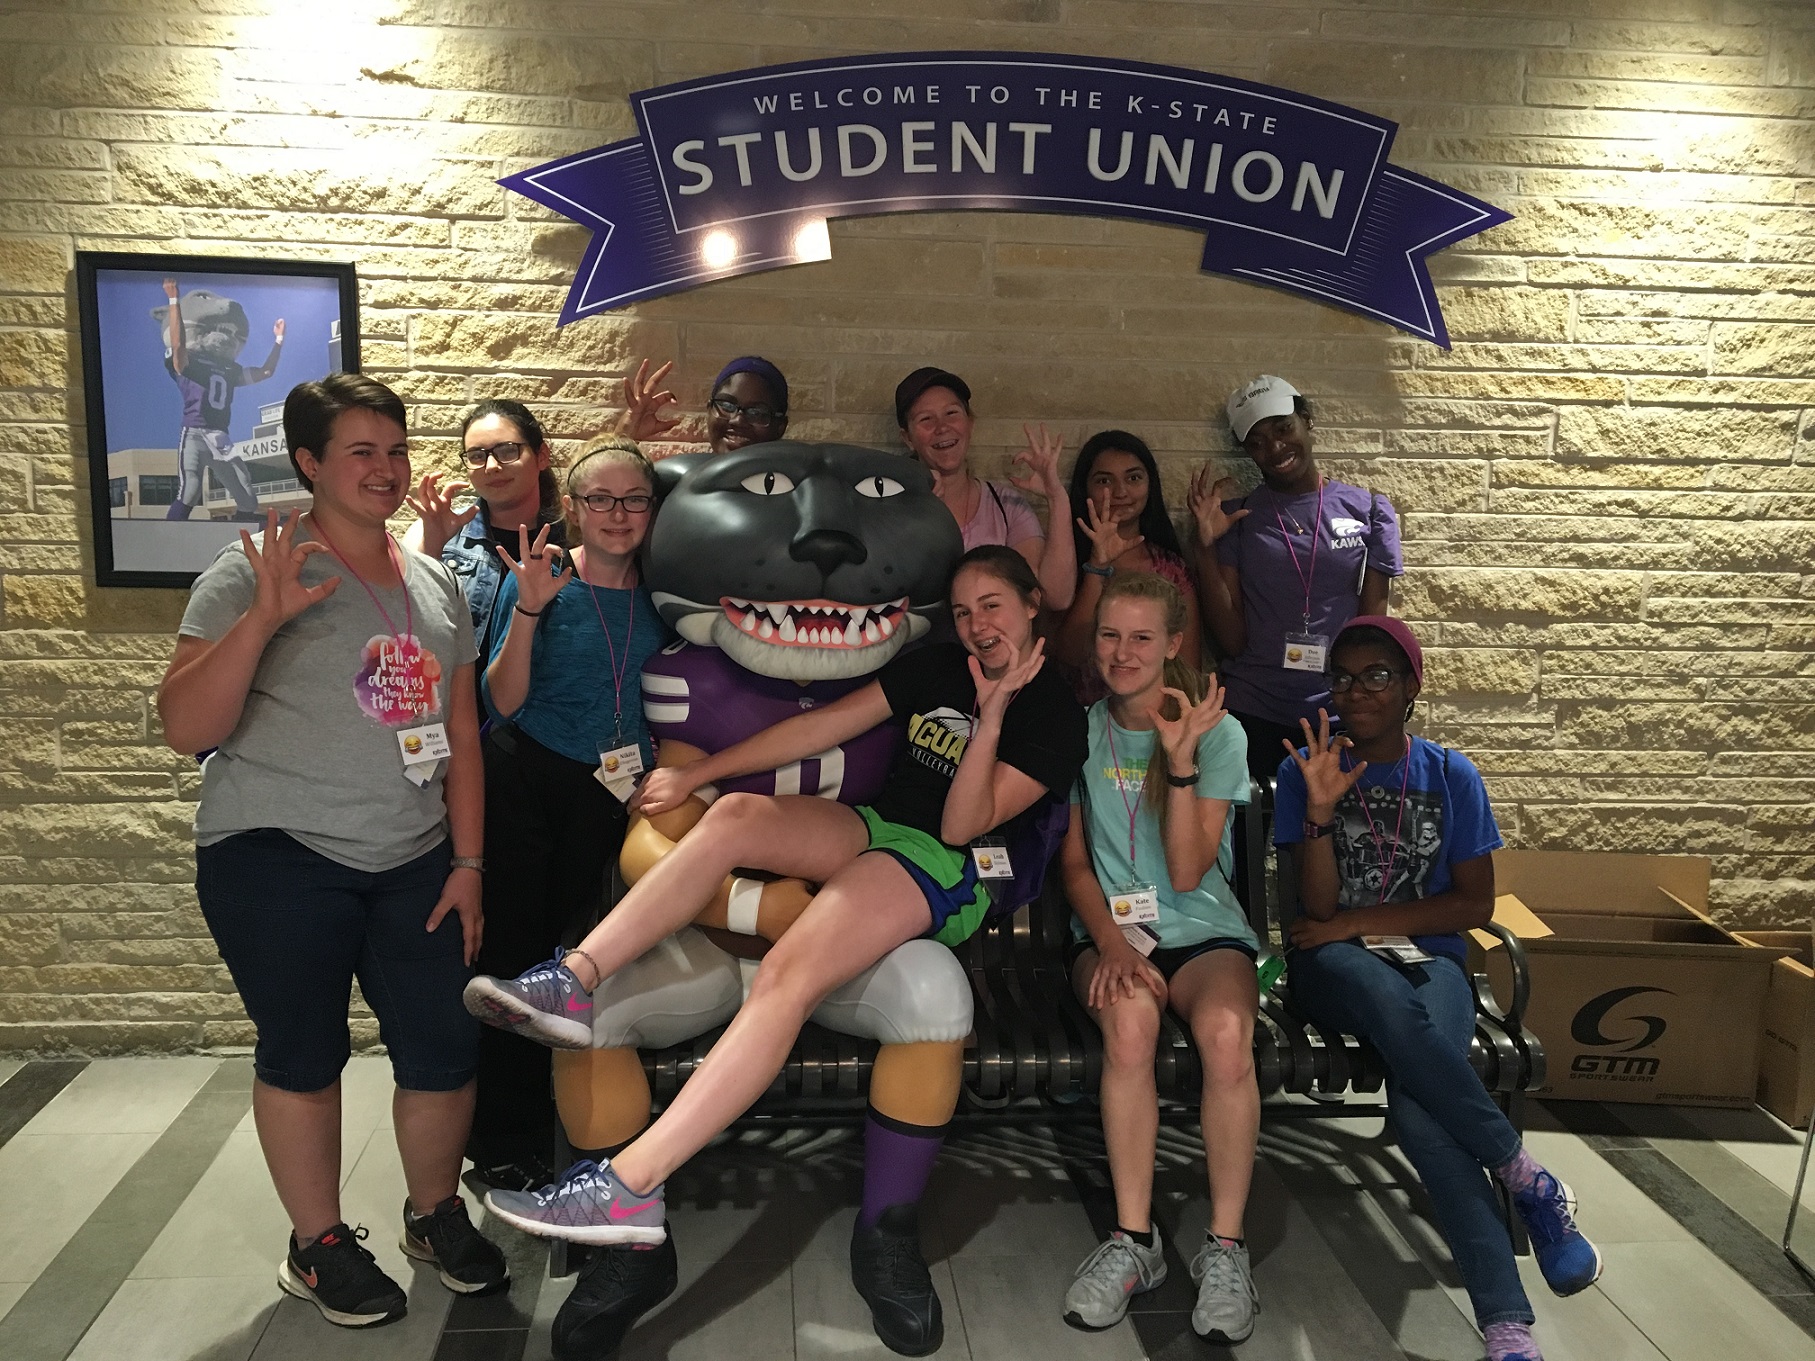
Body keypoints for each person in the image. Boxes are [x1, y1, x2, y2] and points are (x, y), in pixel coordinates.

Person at [465, 545, 1086, 1353]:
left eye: (993, 606)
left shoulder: (1054, 713)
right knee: (733, 820)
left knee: (785, 979)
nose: (977, 625)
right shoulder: (940, 664)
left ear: (1033, 604)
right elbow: (822, 726)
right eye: (964, 610)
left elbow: (966, 824)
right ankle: (571, 979)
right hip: (878, 828)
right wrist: (701, 777)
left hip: (945, 865)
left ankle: (629, 1184)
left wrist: (994, 713)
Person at [157, 373, 506, 1329]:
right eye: (360, 451)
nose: (385, 469)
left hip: (414, 854)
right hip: (276, 848)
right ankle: (316, 1244)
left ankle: (433, 1215)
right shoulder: (250, 568)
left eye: (394, 450)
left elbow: (462, 735)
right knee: (304, 1050)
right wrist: (264, 614)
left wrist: (468, 863)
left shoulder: (433, 580)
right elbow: (185, 724)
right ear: (309, 462)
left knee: (443, 1042)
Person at [1275, 617, 1601, 1361]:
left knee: (1422, 1120)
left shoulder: (1451, 775)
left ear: (1410, 688)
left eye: (1376, 675)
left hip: (1433, 960)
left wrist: (1360, 919)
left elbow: (1471, 906)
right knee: (1381, 995)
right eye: (1345, 678)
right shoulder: (1307, 771)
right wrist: (1321, 815)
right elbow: (1317, 915)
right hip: (1331, 968)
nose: (1356, 690)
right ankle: (1524, 1172)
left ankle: (1505, 1327)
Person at [1057, 572, 1260, 1343]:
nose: (1122, 651)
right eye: (1109, 634)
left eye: (1142, 636)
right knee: (1130, 1031)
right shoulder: (1078, 730)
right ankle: (1133, 1240)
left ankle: (1226, 1246)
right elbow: (1074, 865)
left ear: (1173, 642)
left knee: (1223, 1040)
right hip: (1112, 934)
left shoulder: (1216, 732)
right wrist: (1108, 941)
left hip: (1202, 929)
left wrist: (1179, 761)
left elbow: (1182, 873)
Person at [467, 435, 670, 1198]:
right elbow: (503, 700)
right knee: (520, 963)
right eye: (600, 500)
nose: (617, 514)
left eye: (633, 499)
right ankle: (505, 1141)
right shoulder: (542, 578)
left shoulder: (667, 589)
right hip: (533, 782)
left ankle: (594, 1126)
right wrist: (527, 609)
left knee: (591, 962)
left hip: (623, 795)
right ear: (573, 507)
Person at [1188, 376, 1402, 785]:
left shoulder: (1369, 511)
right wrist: (1204, 548)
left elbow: (1372, 632)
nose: (1275, 448)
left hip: (1337, 710)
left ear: (1307, 422)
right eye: (1257, 441)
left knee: (1331, 842)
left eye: (1284, 428)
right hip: (1254, 708)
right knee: (1247, 843)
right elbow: (1232, 641)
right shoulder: (1235, 518)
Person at [404, 398, 567, 678]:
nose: (491, 466)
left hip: (548, 716)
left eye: (507, 450)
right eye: (478, 455)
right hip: (463, 714)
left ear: (542, 456)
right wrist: (432, 548)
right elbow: (404, 629)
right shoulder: (437, 532)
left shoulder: (572, 539)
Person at [895, 366, 1076, 610]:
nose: (942, 427)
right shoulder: (890, 507)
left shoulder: (1007, 507)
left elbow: (1055, 598)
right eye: (926, 419)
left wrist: (1056, 498)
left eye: (952, 413)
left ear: (969, 423)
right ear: (907, 438)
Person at [1053, 430, 1202, 700]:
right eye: (1104, 480)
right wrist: (1097, 566)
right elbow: (1068, 654)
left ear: (1150, 485)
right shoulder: (1063, 559)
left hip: (1151, 722)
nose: (1120, 492)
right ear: (1085, 487)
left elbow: (1187, 669)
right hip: (1081, 719)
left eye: (1133, 478)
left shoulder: (1171, 569)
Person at [155, 276, 284, 521]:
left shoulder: (229, 369)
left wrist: (278, 341)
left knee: (247, 497)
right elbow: (178, 342)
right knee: (190, 491)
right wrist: (174, 301)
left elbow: (266, 372)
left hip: (221, 437)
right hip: (194, 432)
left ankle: (238, 537)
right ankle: (169, 535)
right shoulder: (188, 362)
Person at [614, 354, 790, 454]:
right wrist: (624, 437)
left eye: (757, 412)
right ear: (709, 410)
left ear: (780, 426)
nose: (737, 420)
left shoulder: (796, 494)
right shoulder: (678, 484)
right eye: (727, 405)